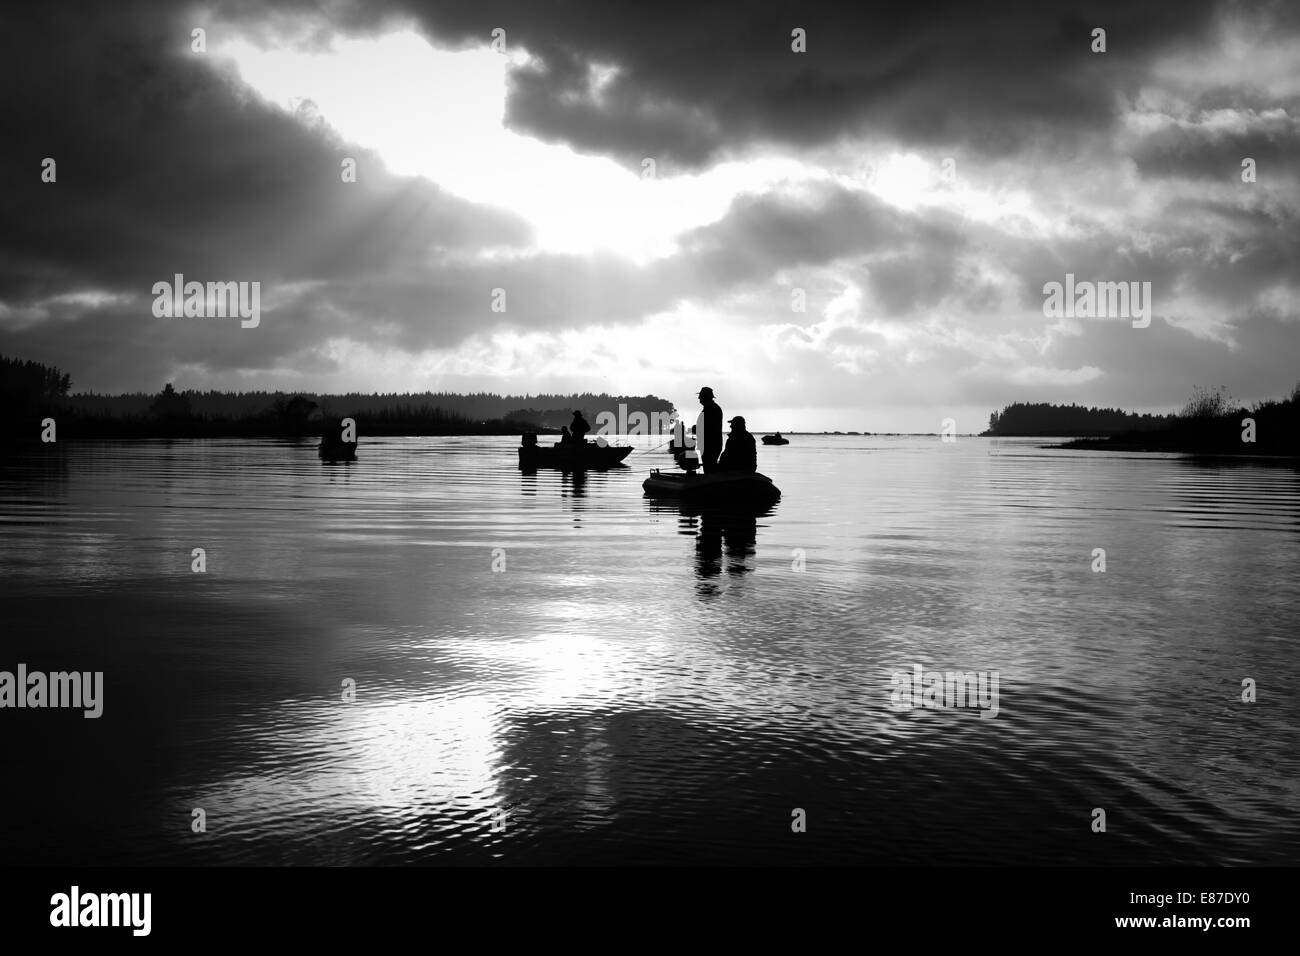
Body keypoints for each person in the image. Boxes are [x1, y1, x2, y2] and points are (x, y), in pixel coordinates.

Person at [695, 387, 723, 474]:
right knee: (709, 468)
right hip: (709, 445)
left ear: (705, 397)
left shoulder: (712, 409)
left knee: (709, 469)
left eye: (700, 396)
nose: (699, 398)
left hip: (710, 445)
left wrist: (696, 428)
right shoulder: (711, 408)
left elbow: (709, 427)